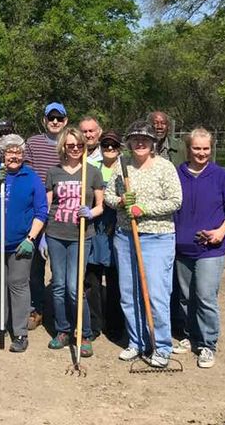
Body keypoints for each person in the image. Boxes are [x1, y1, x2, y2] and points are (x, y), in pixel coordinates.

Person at [104, 119, 182, 368]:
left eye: (145, 139)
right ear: (128, 143)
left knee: (157, 294)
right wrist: (120, 201)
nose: (140, 143)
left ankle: (161, 346)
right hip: (126, 237)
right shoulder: (122, 165)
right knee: (129, 294)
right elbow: (107, 196)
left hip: (158, 238)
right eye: (135, 139)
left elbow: (175, 201)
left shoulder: (165, 168)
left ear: (153, 144)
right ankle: (136, 341)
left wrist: (143, 209)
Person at [173, 127, 225, 369]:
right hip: (181, 247)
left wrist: (222, 230)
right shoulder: (177, 174)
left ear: (211, 149)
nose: (201, 153)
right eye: (196, 148)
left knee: (205, 296)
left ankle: (207, 344)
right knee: (184, 297)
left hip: (211, 247)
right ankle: (189, 336)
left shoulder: (221, 176)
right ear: (188, 149)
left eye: (206, 148)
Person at [0, 134, 47, 353]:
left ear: (23, 154)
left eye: (18, 152)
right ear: (2, 153)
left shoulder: (30, 176)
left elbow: (41, 210)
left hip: (20, 243)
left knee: (18, 284)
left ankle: (20, 332)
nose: (14, 156)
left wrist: (30, 238)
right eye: (10, 151)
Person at [44, 128, 104, 356]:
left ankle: (84, 333)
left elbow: (100, 205)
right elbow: (47, 206)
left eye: (79, 144)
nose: (76, 148)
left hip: (81, 236)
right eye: (71, 145)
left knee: (74, 287)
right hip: (56, 234)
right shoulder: (54, 172)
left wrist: (91, 213)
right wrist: (41, 236)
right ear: (63, 147)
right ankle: (62, 330)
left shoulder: (92, 172)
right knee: (58, 286)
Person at [24, 101, 68, 330]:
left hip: (63, 211)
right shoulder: (33, 143)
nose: (54, 122)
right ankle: (36, 308)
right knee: (35, 266)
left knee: (62, 266)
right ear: (44, 120)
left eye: (59, 118)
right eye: (51, 118)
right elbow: (28, 173)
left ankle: (61, 311)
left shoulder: (70, 143)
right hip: (38, 210)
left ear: (65, 121)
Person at [85, 130, 124, 341]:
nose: (109, 149)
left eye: (114, 146)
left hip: (116, 231)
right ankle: (93, 324)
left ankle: (116, 326)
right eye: (106, 145)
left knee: (115, 280)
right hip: (94, 229)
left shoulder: (126, 169)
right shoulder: (92, 170)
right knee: (91, 279)